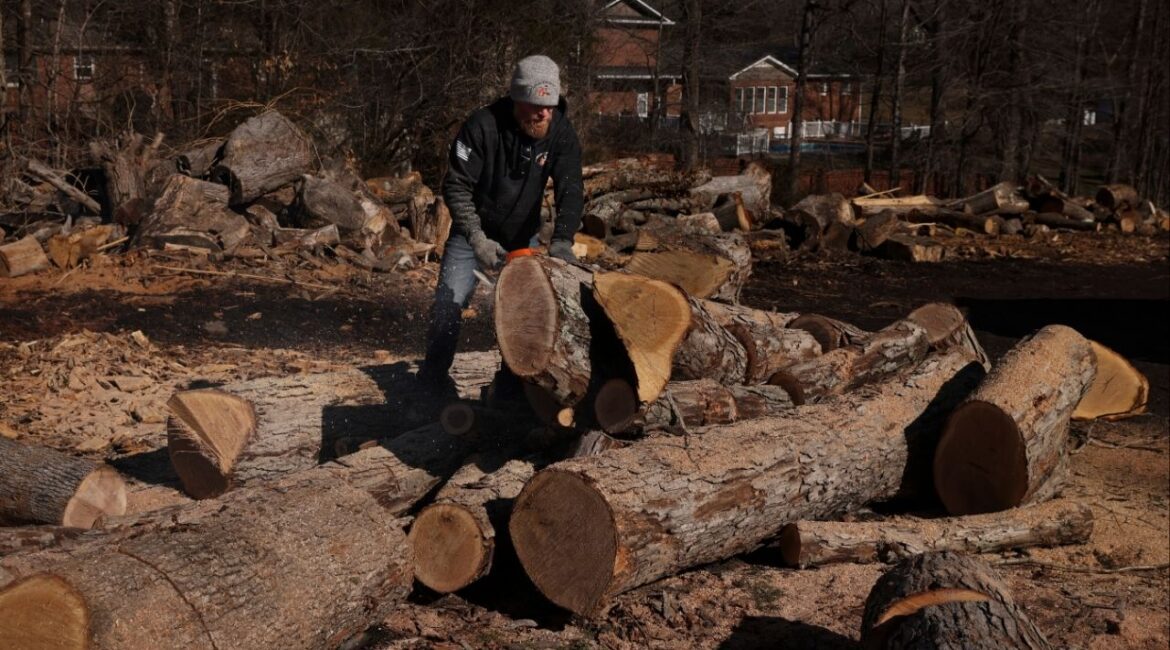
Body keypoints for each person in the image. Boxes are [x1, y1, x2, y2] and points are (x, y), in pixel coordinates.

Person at [418, 55, 584, 390]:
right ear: (517, 100)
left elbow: (571, 187)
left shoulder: (560, 131)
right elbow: (457, 186)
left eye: (550, 106)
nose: (544, 114)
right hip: (472, 233)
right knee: (448, 305)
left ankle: (512, 386)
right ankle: (433, 378)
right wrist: (476, 237)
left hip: (523, 235)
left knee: (526, 314)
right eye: (537, 107)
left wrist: (563, 239)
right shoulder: (481, 126)